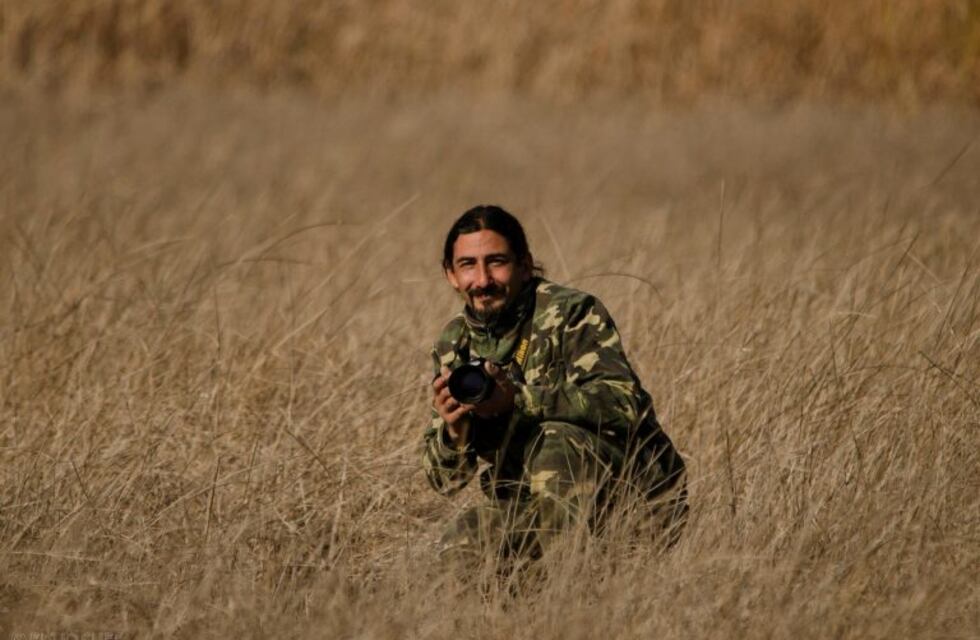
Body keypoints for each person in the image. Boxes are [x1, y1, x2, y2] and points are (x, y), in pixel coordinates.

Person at [422, 205, 686, 566]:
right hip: (530, 502)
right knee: (462, 544)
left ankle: (573, 585)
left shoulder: (573, 313)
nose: (482, 280)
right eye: (468, 265)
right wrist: (456, 434)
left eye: (496, 261)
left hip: (634, 497)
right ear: (450, 275)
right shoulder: (454, 343)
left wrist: (516, 400)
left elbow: (626, 403)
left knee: (556, 439)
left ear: (525, 265)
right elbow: (444, 482)